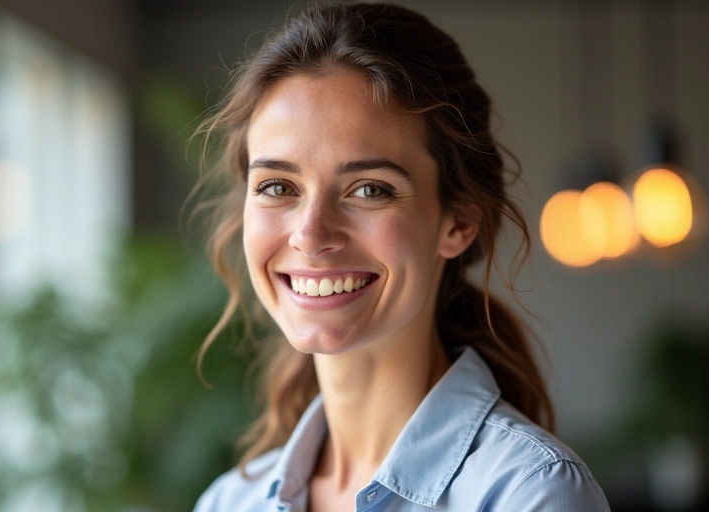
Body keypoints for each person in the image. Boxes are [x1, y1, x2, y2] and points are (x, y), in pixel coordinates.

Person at [189, 3, 609, 511]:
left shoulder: (528, 494)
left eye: (369, 190)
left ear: (457, 223)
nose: (311, 234)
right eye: (278, 186)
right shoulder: (228, 503)